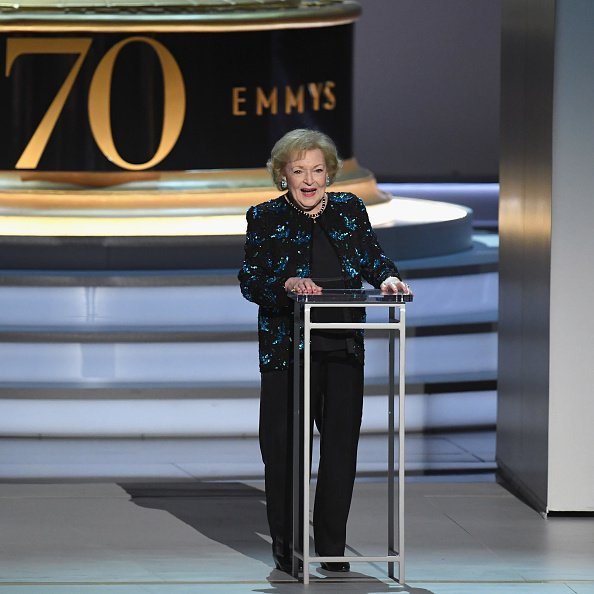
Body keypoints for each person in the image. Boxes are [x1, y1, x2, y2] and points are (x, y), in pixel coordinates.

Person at [238, 128, 411, 574]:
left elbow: (373, 258)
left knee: (339, 450)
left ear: (330, 173)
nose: (309, 179)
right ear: (283, 175)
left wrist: (388, 279)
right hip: (288, 350)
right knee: (284, 452)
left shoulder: (351, 210)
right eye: (299, 171)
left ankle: (332, 548)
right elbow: (251, 281)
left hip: (341, 345)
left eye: (317, 170)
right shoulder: (265, 217)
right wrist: (287, 284)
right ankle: (289, 548)